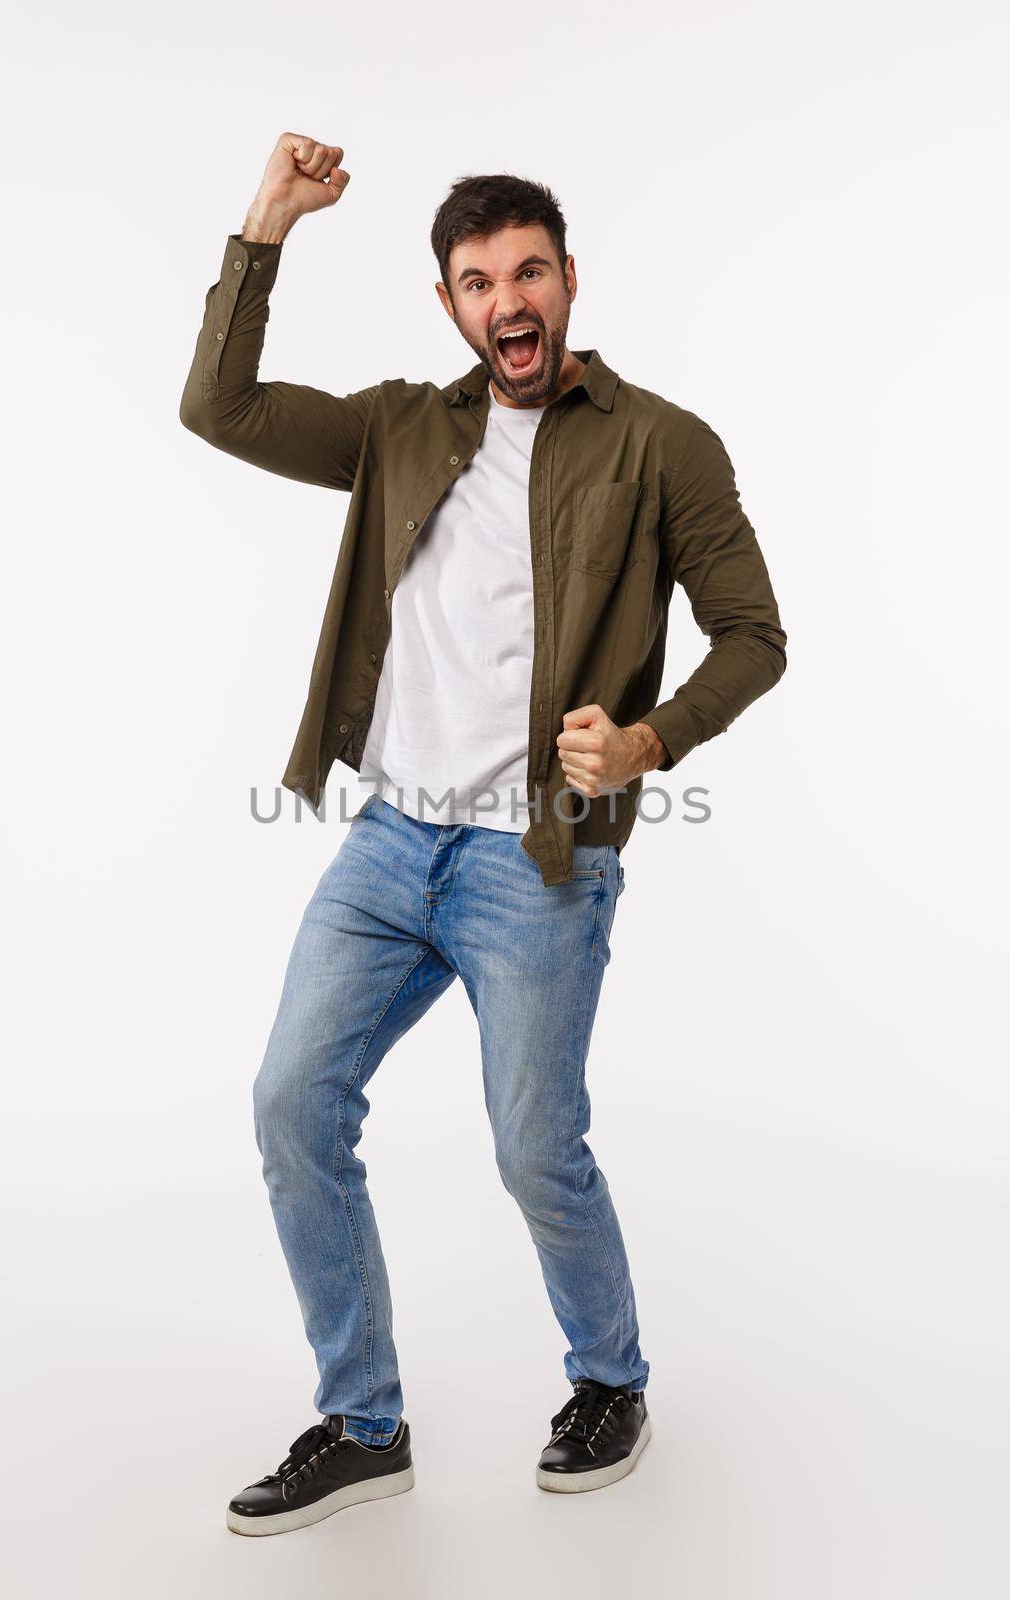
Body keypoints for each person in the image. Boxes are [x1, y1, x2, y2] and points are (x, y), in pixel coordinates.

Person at [180, 131, 787, 1535]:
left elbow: (755, 637)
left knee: (535, 1148)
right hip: (391, 849)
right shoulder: (400, 427)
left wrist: (648, 742)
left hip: (539, 862)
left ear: (569, 282)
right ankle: (362, 1420)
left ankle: (611, 1378)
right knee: (290, 1105)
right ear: (451, 305)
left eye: (528, 271)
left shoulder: (661, 445)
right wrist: (264, 229)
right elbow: (219, 407)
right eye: (475, 281)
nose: (506, 300)